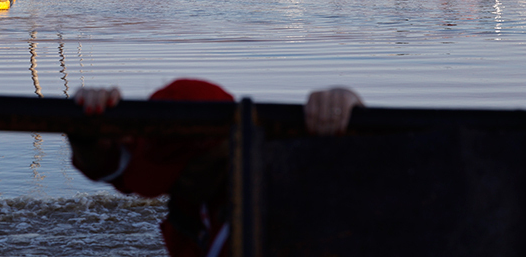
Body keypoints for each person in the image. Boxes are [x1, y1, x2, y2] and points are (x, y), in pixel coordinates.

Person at [70, 80, 362, 257]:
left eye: (183, 170)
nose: (174, 186)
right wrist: (88, 125)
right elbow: (104, 163)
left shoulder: (284, 182)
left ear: (223, 147)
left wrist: (346, 100)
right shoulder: (188, 191)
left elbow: (360, 174)